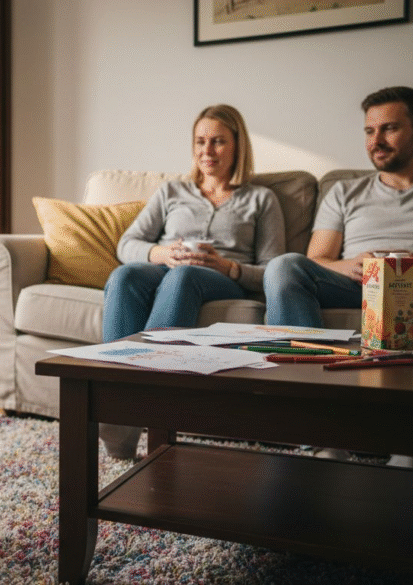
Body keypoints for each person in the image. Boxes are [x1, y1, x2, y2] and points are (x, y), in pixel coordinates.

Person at [263, 86, 413, 466]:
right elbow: (317, 259)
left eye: (389, 129)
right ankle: (317, 425)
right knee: (284, 266)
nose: (375, 141)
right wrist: (349, 265)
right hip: (354, 287)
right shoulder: (344, 191)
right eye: (369, 131)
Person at [100, 104, 287, 459]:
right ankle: (114, 403)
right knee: (124, 275)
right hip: (168, 268)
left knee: (184, 277)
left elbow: (272, 272)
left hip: (221, 279)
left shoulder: (261, 199)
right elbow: (127, 244)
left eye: (218, 142)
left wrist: (226, 266)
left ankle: (146, 396)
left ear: (237, 146)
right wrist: (162, 254)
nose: (207, 151)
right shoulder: (172, 192)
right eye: (200, 141)